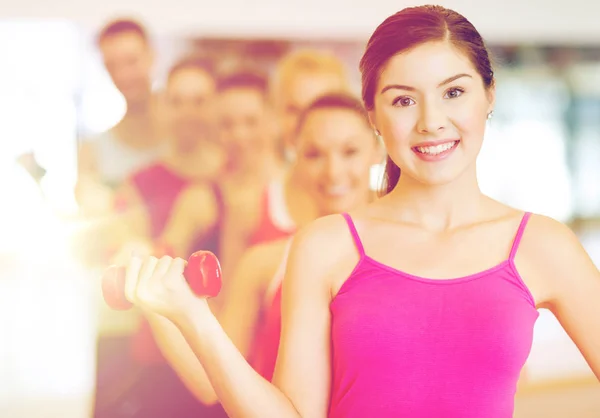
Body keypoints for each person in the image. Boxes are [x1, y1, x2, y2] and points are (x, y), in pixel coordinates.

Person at [119, 5, 600, 418]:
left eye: (454, 92)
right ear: (372, 115)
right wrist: (191, 316)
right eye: (403, 100)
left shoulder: (543, 245)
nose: (432, 121)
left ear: (488, 97)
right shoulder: (326, 245)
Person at [142, 92, 382, 403]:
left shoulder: (407, 255)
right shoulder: (264, 262)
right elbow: (210, 384)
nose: (333, 171)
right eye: (314, 155)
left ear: (377, 150)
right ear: (294, 155)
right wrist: (153, 301)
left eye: (350, 152)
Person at [96, 55, 226, 418]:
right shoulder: (139, 184)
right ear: (163, 106)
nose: (188, 112)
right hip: (160, 351)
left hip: (232, 348)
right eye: (177, 100)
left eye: (199, 100)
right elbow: (130, 264)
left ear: (215, 105)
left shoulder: (236, 178)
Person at [76, 18, 165, 219]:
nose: (123, 75)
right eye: (112, 66)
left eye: (131, 61)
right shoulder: (92, 151)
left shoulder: (191, 135)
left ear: (152, 57)